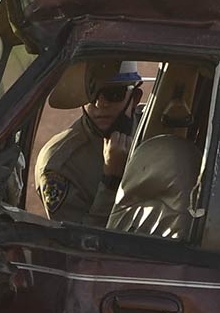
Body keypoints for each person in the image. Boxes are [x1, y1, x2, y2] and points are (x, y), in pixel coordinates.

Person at [35, 60, 143, 224]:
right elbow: (77, 242)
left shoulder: (156, 128)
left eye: (113, 94)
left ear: (135, 98)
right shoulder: (60, 164)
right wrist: (111, 181)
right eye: (91, 94)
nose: (100, 104)